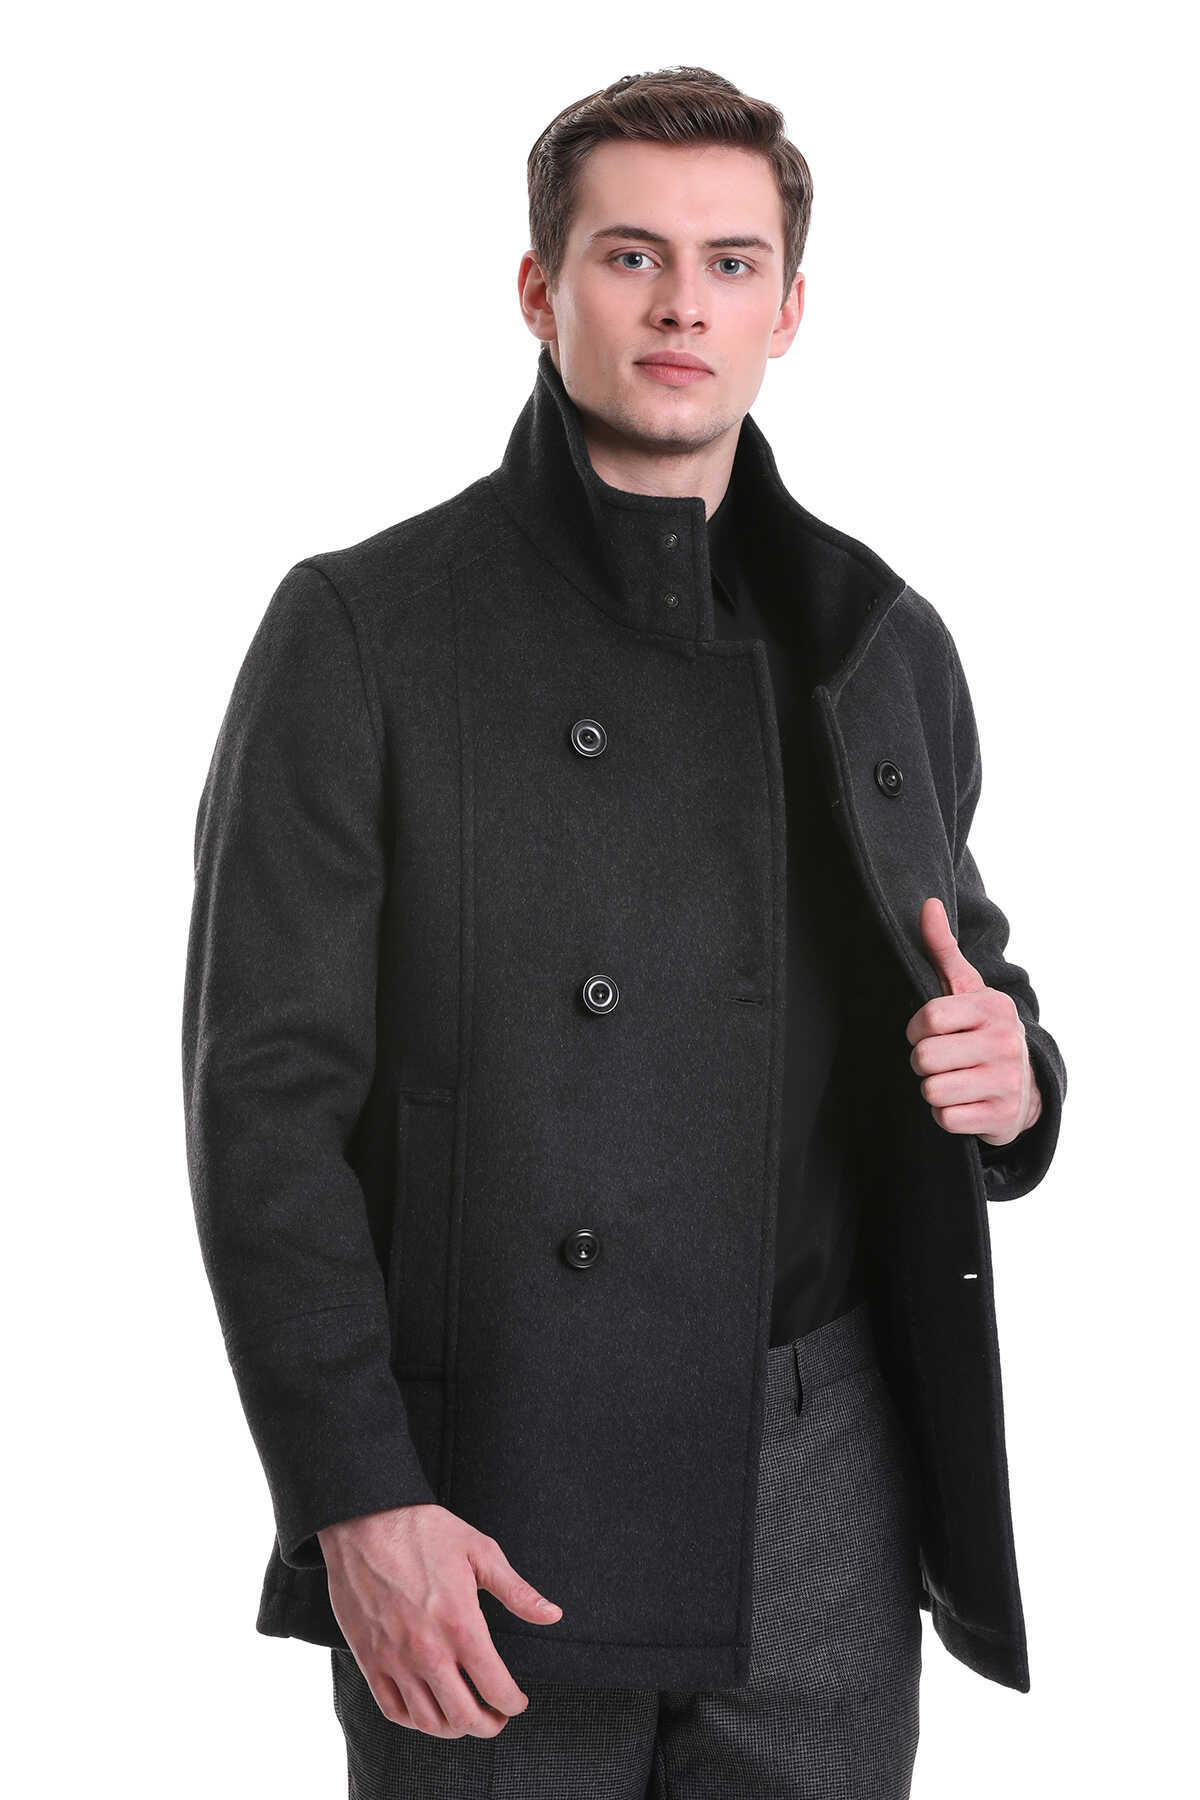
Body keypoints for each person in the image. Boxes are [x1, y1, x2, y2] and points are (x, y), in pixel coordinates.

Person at [182, 65, 1067, 1799]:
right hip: (497, 1483)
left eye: (733, 265)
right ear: (541, 287)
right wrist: (358, 1500)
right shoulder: (366, 630)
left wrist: (1019, 1077)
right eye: (631, 256)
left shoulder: (880, 637)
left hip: (828, 1469)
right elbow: (263, 1106)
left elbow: (965, 962)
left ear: (788, 312)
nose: (683, 306)